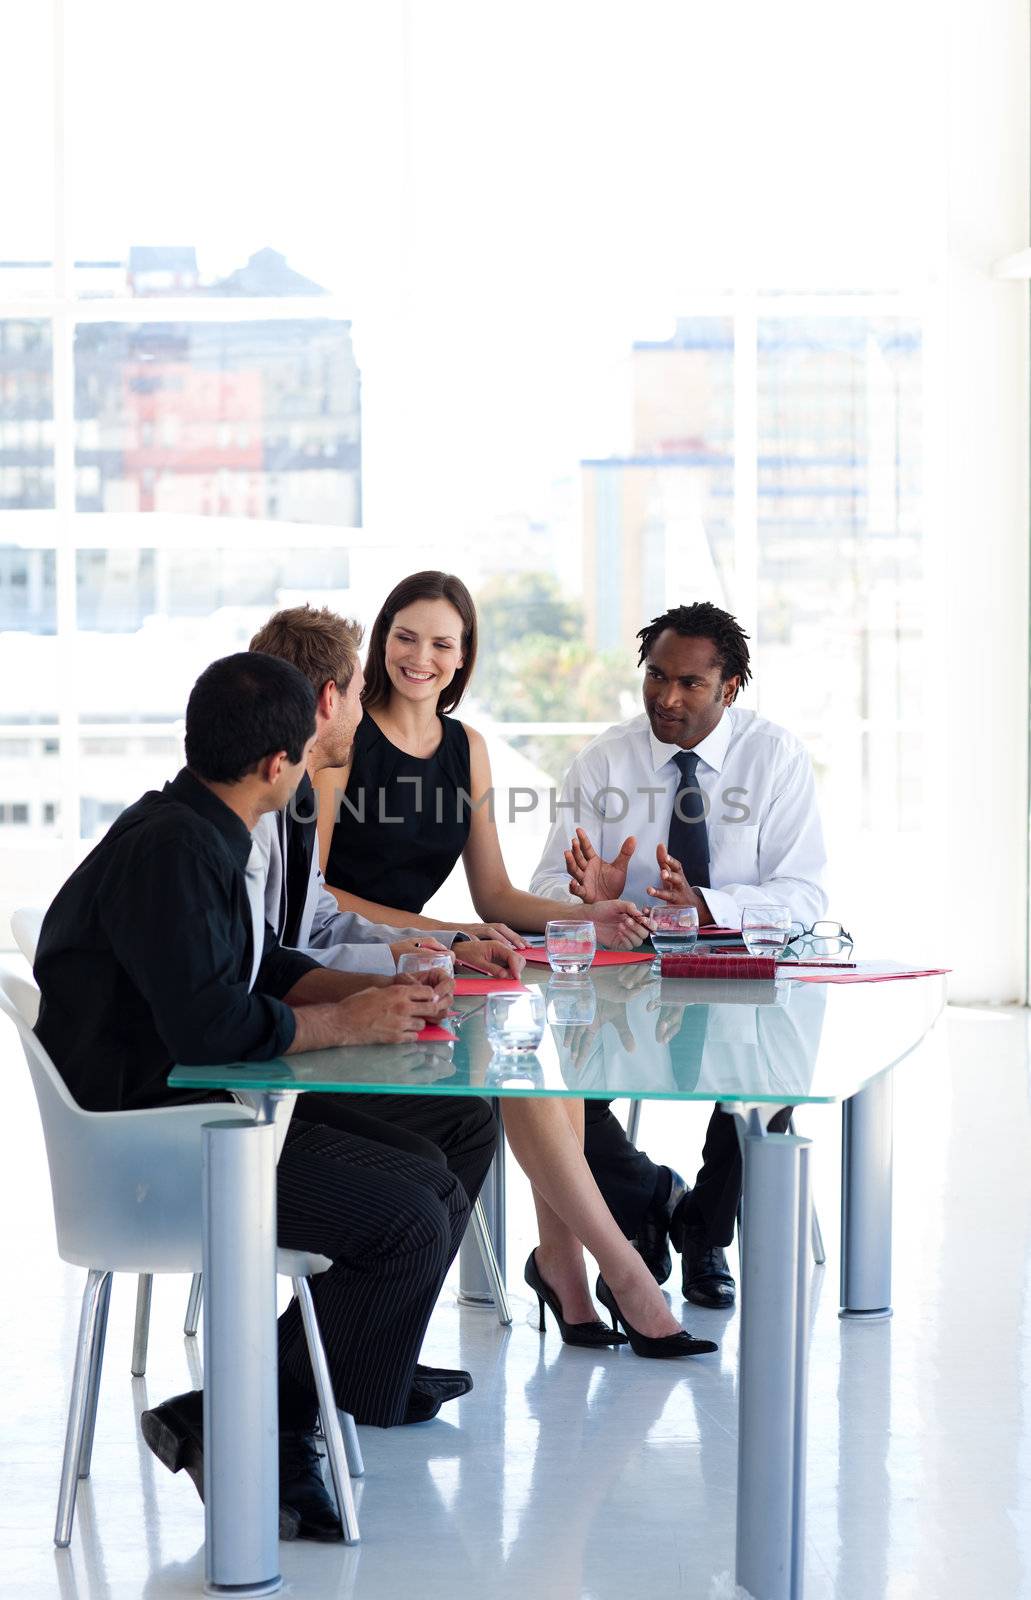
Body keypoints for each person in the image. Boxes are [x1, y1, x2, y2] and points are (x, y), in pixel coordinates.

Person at [33, 651, 497, 1543]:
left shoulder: (202, 827)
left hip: (206, 1107)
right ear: (279, 765)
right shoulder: (176, 851)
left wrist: (380, 995)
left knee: (448, 1143)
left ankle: (303, 1387)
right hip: (164, 1144)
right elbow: (213, 1028)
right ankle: (266, 1421)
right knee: (408, 1219)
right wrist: (350, 1024)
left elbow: (259, 969)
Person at [314, 572, 716, 1358]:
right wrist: (454, 933)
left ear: (463, 658)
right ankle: (622, 1273)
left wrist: (585, 913)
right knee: (517, 1055)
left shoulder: (466, 749)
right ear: (380, 640)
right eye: (404, 637)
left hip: (424, 957)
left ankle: (564, 1273)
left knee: (541, 1049)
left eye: (441, 643)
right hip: (350, 957)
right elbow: (323, 892)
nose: (419, 657)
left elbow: (494, 889)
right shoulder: (343, 736)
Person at [530, 600, 828, 1310]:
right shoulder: (605, 759)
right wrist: (586, 904)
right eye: (656, 677)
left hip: (738, 971)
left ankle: (704, 1231)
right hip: (624, 976)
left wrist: (706, 906)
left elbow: (803, 893)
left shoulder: (774, 757)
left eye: (690, 684)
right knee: (549, 1091)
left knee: (770, 1079)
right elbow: (545, 882)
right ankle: (653, 1194)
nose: (667, 697)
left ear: (728, 688)